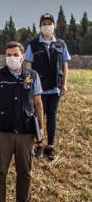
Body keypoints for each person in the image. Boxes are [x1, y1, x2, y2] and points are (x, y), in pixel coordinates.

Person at [0, 41, 44, 202]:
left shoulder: (32, 76)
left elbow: (38, 103)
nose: (11, 58)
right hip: (3, 131)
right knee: (0, 170)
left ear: (22, 56)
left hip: (26, 131)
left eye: (15, 54)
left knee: (25, 171)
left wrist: (40, 128)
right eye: (8, 55)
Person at [25, 13, 71, 161]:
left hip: (55, 87)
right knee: (39, 116)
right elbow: (28, 65)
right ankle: (39, 143)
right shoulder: (33, 44)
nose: (47, 26)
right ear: (40, 26)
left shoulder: (61, 44)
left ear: (54, 25)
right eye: (44, 23)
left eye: (49, 23)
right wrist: (28, 84)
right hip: (39, 88)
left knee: (52, 116)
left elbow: (64, 64)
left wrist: (64, 83)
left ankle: (50, 146)